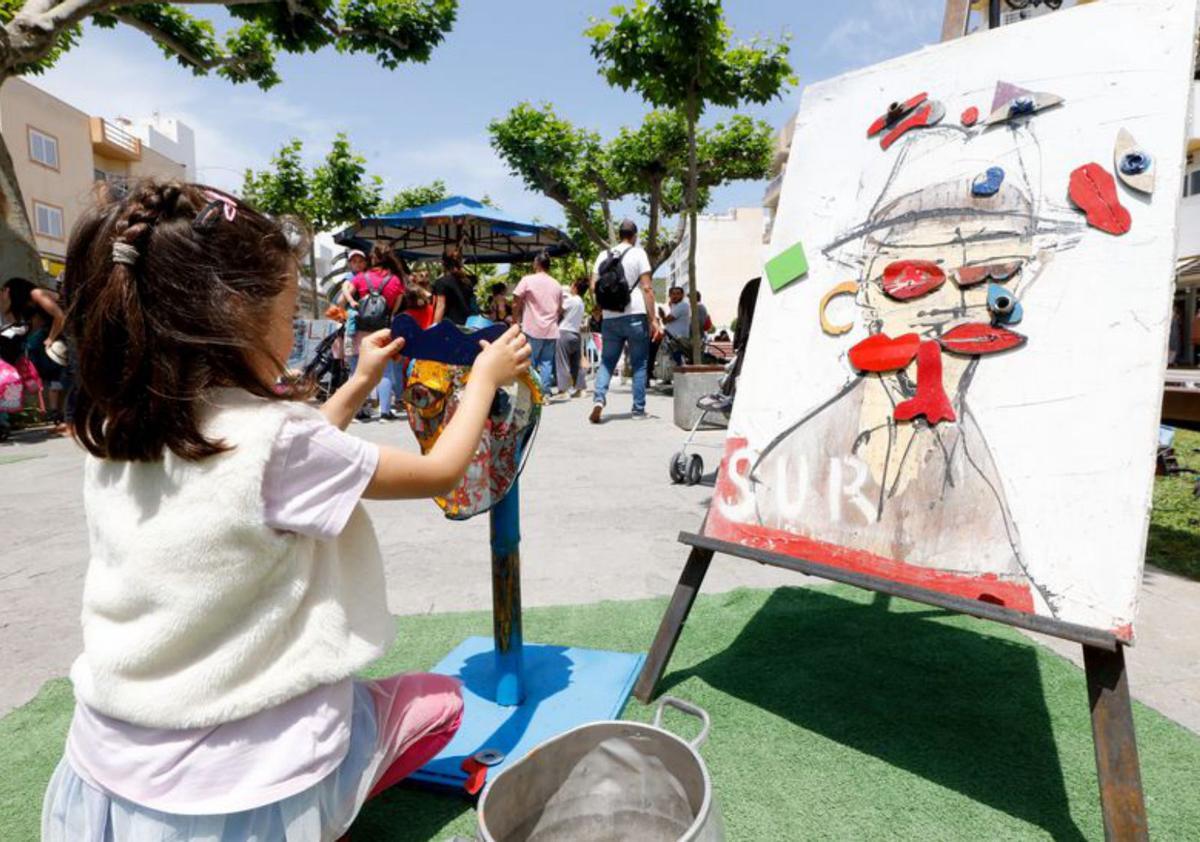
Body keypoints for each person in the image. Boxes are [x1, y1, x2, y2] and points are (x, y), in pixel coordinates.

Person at [41, 180, 531, 841]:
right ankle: (320, 808)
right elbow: (438, 471)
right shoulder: (278, 441)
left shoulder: (121, 430)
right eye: (288, 305)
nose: (294, 324)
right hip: (249, 789)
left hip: (105, 767)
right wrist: (484, 380)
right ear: (236, 310)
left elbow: (284, 470)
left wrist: (357, 383)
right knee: (441, 703)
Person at [589, 219, 662, 422]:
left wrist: (601, 307)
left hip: (611, 316)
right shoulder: (639, 253)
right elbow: (647, 288)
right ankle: (638, 410)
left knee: (607, 362)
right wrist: (653, 319)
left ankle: (599, 399)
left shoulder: (604, 255)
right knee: (639, 364)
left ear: (619, 234)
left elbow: (594, 285)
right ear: (635, 235)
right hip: (635, 314)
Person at [344, 247, 407, 421]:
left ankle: (357, 411)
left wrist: (353, 303)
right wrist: (390, 315)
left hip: (361, 329)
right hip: (382, 330)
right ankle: (384, 412)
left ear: (372, 259)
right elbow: (397, 304)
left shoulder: (361, 277)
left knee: (357, 369)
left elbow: (347, 292)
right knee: (385, 372)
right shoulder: (395, 280)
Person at [1, 277, 67, 426]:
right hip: (51, 329)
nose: (4, 295)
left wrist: (51, 338)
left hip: (68, 325)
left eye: (5, 291)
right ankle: (36, 381)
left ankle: (51, 390)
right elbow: (33, 326)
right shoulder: (28, 305)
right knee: (29, 347)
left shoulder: (36, 294)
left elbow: (60, 316)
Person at [513, 251, 564, 392]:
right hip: (551, 330)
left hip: (532, 328)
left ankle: (532, 392)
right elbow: (560, 309)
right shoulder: (557, 284)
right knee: (547, 363)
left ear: (537, 263)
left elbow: (516, 301)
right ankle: (545, 393)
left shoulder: (527, 280)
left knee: (530, 362)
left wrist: (514, 321)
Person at [555, 277, 588, 397]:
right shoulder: (581, 302)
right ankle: (580, 388)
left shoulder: (571, 300)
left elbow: (559, 310)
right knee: (576, 363)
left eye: (572, 285)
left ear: (575, 288)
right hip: (576, 333)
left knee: (562, 362)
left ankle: (563, 390)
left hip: (564, 332)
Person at [432, 248, 476, 326]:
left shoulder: (441, 282)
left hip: (449, 327)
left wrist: (434, 327)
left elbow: (440, 306)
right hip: (467, 325)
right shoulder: (467, 282)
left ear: (443, 263)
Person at [662, 285, 691, 365]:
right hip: (672, 340)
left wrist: (662, 316)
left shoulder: (683, 305)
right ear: (670, 295)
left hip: (678, 340)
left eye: (678, 294)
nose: (675, 296)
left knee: (678, 363)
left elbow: (667, 319)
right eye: (673, 294)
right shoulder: (674, 306)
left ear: (682, 295)